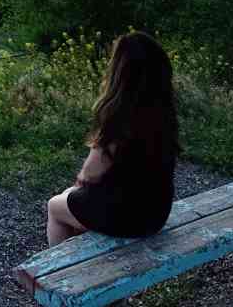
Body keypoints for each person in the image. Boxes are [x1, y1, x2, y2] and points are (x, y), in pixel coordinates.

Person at [45, 31, 179, 246]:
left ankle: (59, 275)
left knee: (55, 205)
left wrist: (81, 183)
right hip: (155, 214)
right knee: (73, 199)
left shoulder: (120, 114)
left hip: (126, 218)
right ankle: (84, 258)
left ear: (121, 72)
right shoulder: (165, 113)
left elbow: (90, 173)